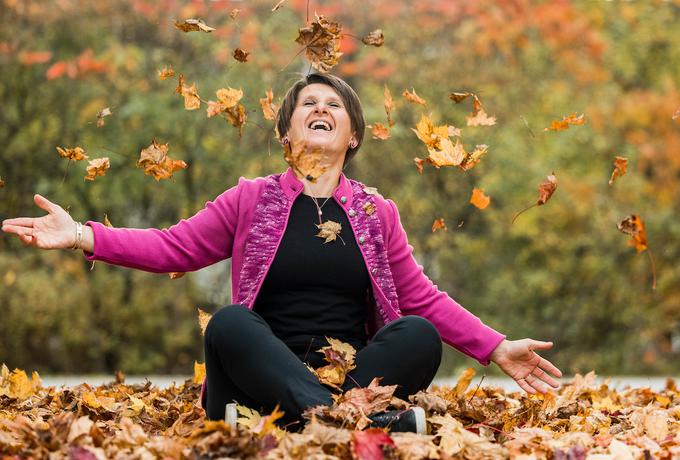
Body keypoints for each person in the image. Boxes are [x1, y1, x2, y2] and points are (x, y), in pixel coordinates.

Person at [1, 73, 561, 433]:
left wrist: (496, 347)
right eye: (307, 104)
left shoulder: (375, 212)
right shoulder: (250, 199)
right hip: (252, 380)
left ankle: (315, 418)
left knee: (416, 335)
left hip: (351, 377)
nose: (321, 108)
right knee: (229, 324)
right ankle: (344, 422)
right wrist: (83, 236)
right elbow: (173, 246)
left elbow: (422, 298)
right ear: (286, 132)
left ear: (353, 136)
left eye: (333, 105)